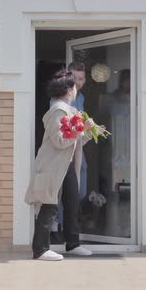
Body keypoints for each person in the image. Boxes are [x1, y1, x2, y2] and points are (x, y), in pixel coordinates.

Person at [25, 69, 95, 261]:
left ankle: (72, 244)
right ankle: (40, 249)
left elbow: (75, 140)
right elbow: (59, 140)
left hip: (66, 165)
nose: (76, 89)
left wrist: (89, 131)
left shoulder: (69, 110)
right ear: (68, 89)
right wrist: (82, 128)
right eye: (74, 86)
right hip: (54, 166)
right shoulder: (57, 110)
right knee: (49, 205)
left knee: (72, 203)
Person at [49, 62, 88, 239]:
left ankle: (69, 230)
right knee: (58, 192)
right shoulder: (57, 104)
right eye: (75, 78)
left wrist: (89, 129)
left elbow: (79, 125)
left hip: (77, 149)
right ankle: (57, 227)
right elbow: (59, 133)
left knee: (78, 191)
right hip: (63, 150)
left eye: (81, 78)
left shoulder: (80, 98)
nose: (79, 82)